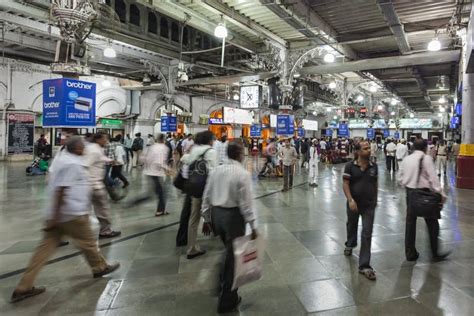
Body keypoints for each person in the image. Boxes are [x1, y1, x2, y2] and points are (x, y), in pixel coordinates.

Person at [10, 136, 120, 303]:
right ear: (76, 148)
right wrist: (56, 216)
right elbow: (62, 190)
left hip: (59, 214)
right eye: (82, 146)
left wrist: (53, 216)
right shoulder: (73, 164)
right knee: (88, 242)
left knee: (43, 251)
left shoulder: (62, 159)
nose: (85, 148)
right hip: (71, 214)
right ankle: (100, 267)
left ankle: (24, 286)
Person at [201, 141, 258, 313]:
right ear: (240, 154)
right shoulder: (242, 174)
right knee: (234, 258)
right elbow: (246, 204)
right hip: (233, 218)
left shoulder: (216, 170)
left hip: (217, 216)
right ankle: (227, 299)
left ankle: (220, 281)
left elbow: (207, 195)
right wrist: (253, 226)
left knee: (228, 250)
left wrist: (206, 218)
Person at [398, 138, 449, 262]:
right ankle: (435, 253)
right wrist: (441, 194)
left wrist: (408, 184)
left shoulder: (406, 159)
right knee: (432, 223)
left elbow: (400, 179)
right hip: (425, 194)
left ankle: (410, 253)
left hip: (410, 193)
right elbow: (433, 178)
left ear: (413, 147)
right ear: (425, 147)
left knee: (410, 224)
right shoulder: (426, 159)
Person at [342, 141, 377, 281]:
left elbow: (375, 183)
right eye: (365, 148)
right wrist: (350, 200)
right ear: (357, 152)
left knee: (367, 233)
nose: (369, 150)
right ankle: (350, 243)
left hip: (368, 205)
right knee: (352, 225)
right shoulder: (350, 166)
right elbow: (345, 184)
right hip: (353, 204)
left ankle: (364, 265)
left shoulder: (374, 166)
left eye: (369, 148)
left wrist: (375, 200)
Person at [181, 131, 217, 259]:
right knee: (214, 211)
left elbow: (184, 159)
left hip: (193, 187)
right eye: (213, 138)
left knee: (194, 218)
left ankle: (191, 248)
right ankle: (215, 232)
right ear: (210, 140)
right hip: (205, 188)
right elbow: (213, 172)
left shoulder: (195, 150)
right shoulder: (211, 152)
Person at [84, 132, 121, 239]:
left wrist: (111, 160)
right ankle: (105, 231)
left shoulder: (95, 148)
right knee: (102, 208)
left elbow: (101, 158)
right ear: (98, 139)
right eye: (104, 139)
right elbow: (85, 165)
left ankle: (101, 230)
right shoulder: (94, 150)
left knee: (91, 209)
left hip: (92, 184)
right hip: (93, 184)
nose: (106, 141)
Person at [128, 134, 170, 216]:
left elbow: (142, 158)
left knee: (158, 193)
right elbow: (160, 162)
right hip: (156, 174)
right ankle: (159, 211)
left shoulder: (151, 147)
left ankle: (161, 209)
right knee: (159, 193)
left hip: (148, 172)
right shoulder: (164, 148)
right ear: (163, 139)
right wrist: (169, 169)